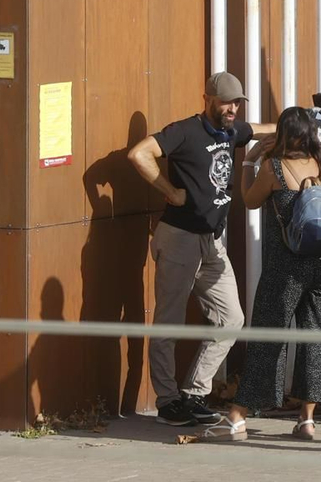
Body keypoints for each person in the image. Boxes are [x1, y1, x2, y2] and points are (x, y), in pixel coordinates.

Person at [204, 106, 321, 440]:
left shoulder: (274, 168)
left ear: (282, 135)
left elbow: (250, 199)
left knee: (269, 338)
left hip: (284, 267)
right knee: (316, 338)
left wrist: (248, 162)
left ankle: (238, 416)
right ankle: (307, 421)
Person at [126, 71, 276, 428]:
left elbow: (262, 129)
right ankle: (167, 402)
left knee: (232, 319)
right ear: (208, 97)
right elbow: (139, 154)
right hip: (179, 236)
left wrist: (301, 125)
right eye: (226, 101)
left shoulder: (231, 131)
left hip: (212, 241)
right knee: (169, 322)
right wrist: (169, 190)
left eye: (237, 102)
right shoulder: (184, 130)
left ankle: (193, 393)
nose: (233, 108)